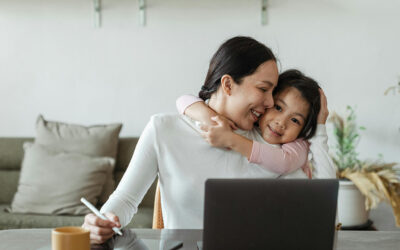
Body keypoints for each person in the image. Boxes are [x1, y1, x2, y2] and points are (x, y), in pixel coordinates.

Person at [82, 36, 336, 244]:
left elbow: (323, 211)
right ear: (228, 84)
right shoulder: (164, 129)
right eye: (263, 89)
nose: (270, 103)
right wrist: (102, 220)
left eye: (273, 92)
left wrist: (321, 129)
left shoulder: (272, 146)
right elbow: (125, 200)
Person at [176, 69, 326, 178]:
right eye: (278, 107)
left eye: (295, 120)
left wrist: (231, 139)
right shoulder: (249, 124)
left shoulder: (299, 145)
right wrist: (212, 118)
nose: (281, 122)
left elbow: (284, 162)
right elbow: (183, 100)